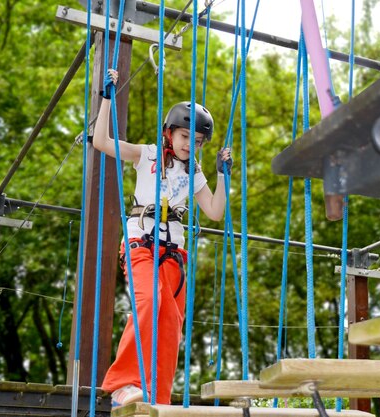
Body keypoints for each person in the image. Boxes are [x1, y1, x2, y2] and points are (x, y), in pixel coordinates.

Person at [93, 69, 232, 406]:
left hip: (174, 254)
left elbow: (214, 211)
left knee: (170, 321)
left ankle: (158, 396)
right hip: (142, 243)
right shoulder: (148, 154)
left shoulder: (194, 171)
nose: (189, 145)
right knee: (151, 303)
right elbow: (101, 142)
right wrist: (107, 99)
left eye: (197, 141)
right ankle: (123, 384)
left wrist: (221, 174)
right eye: (185, 137)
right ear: (169, 133)